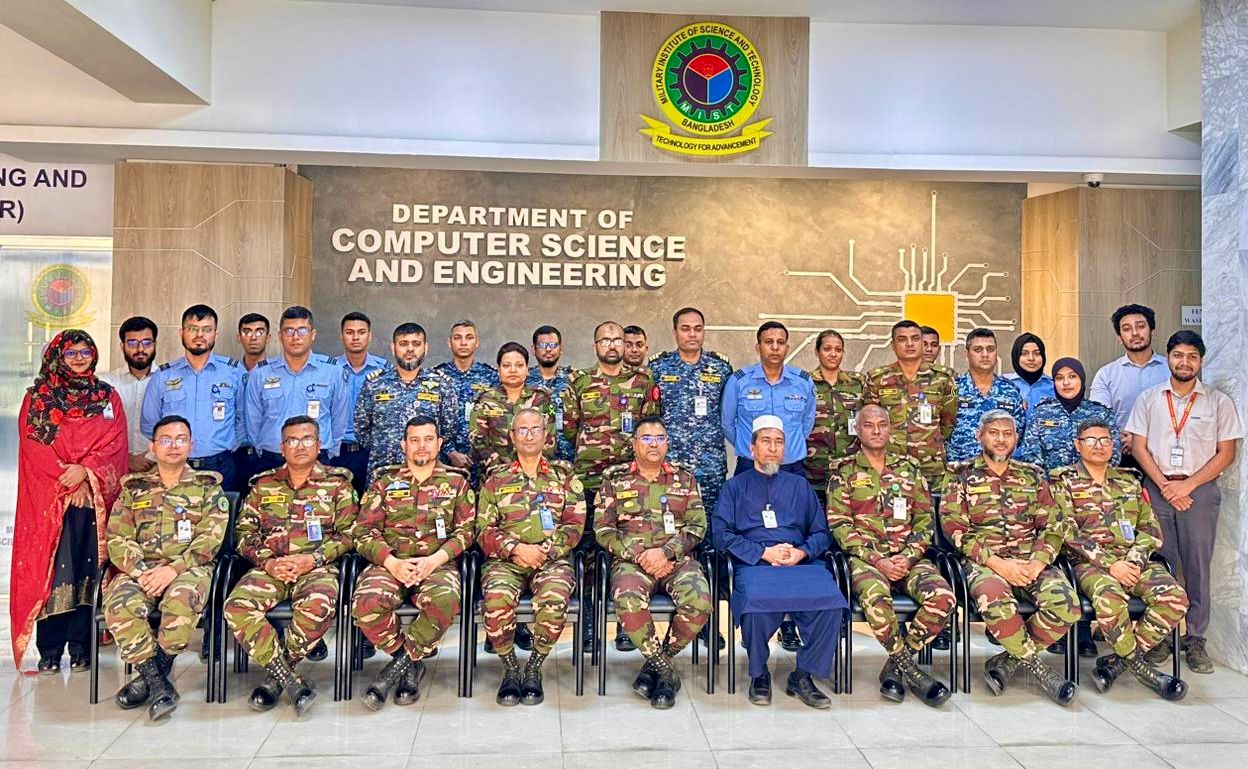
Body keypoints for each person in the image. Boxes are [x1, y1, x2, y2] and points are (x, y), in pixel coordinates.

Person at [941, 409, 1079, 705]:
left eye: (1007, 433)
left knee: (1067, 604)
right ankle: (1041, 670)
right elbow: (955, 529)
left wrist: (1038, 562)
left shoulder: (1032, 475)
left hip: (1030, 561)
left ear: (1016, 438)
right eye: (994, 433)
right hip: (984, 563)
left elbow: (1054, 525)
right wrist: (998, 564)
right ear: (980, 436)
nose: (1001, 439)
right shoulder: (960, 475)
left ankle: (1008, 661)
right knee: (997, 602)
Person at [11, 330, 128, 673]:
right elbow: (35, 448)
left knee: (88, 568)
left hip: (93, 500)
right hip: (52, 500)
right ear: (57, 357)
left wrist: (86, 473)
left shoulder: (107, 397)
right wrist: (70, 480)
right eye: (71, 353)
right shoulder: (40, 399)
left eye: (85, 352)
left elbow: (115, 443)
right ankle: (49, 650)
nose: (79, 358)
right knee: (51, 570)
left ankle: (82, 647)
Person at [1126, 330, 1242, 673]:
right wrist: (1164, 485)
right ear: (1169, 358)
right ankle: (1161, 634)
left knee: (1197, 566)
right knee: (1160, 562)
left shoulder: (1218, 402)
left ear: (1201, 361)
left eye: (1192, 356)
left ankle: (1195, 638)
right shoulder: (1149, 399)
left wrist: (1187, 485)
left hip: (1199, 490)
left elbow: (1227, 453)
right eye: (1178, 355)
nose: (1185, 362)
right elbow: (1138, 446)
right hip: (1158, 487)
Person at [223, 416, 356, 717]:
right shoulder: (263, 484)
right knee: (236, 606)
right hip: (270, 568)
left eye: (307, 439)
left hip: (317, 568)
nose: (300, 446)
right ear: (282, 447)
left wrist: (313, 559)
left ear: (319, 445)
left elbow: (349, 534)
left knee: (319, 604)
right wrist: (268, 562)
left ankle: (278, 675)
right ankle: (289, 679)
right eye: (292, 441)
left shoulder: (338, 484)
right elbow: (244, 533)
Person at [713, 416, 846, 709]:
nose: (773, 448)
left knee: (832, 603)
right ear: (752, 448)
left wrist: (802, 553)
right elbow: (721, 535)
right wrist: (763, 553)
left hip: (799, 564)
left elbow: (821, 533)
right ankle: (759, 673)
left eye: (779, 442)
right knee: (755, 601)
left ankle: (803, 675)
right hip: (756, 563)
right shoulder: (734, 487)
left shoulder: (800, 486)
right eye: (766, 441)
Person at [1052, 418, 1188, 700]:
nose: (1098, 446)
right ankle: (1140, 667)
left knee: (1175, 597)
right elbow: (1067, 532)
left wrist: (1134, 561)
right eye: (1091, 440)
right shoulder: (1063, 481)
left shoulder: (1129, 481)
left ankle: (1118, 663)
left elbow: (1150, 529)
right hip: (1089, 564)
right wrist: (1111, 564)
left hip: (1134, 560)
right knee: (1110, 597)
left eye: (1105, 440)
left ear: (1113, 445)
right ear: (1078, 445)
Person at [826, 405, 953, 706]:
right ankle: (913, 672)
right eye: (868, 425)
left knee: (943, 598)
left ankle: (896, 665)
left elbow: (924, 520)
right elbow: (839, 524)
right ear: (858, 430)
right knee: (876, 599)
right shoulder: (844, 471)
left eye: (882, 424)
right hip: (866, 561)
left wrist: (908, 557)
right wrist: (876, 560)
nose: (876, 430)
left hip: (909, 559)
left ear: (890, 428)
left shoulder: (909, 468)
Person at [103, 416, 228, 720]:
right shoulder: (134, 489)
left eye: (181, 439)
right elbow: (117, 537)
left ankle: (151, 679)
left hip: (190, 569)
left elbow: (211, 539)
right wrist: (141, 571)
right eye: (166, 440)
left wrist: (173, 569)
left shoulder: (207, 487)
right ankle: (158, 684)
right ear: (153, 446)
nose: (174, 446)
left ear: (191, 446)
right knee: (119, 604)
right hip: (141, 570)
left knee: (182, 600)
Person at [352, 415, 475, 710]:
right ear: (403, 445)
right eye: (415, 440)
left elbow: (467, 531)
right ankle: (409, 661)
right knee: (366, 603)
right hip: (390, 564)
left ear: (439, 444)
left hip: (437, 563)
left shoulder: (457, 482)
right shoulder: (384, 482)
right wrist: (391, 562)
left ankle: (397, 668)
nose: (422, 446)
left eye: (428, 439)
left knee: (445, 599)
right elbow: (363, 531)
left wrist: (434, 560)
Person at [595, 418, 711, 709]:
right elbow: (603, 529)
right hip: (632, 562)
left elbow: (697, 526)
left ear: (667, 443)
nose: (653, 444)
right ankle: (665, 671)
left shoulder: (685, 479)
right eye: (646, 438)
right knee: (628, 598)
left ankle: (657, 663)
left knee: (699, 600)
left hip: (676, 560)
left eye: (660, 438)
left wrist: (667, 553)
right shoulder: (615, 480)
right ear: (634, 444)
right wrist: (640, 555)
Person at [477, 408, 585, 706]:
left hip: (551, 560)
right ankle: (510, 667)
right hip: (505, 561)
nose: (528, 436)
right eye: (522, 430)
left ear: (546, 435)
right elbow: (483, 529)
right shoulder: (496, 479)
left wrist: (545, 550)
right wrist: (516, 548)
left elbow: (574, 525)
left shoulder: (564, 476)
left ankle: (535, 665)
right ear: (512, 437)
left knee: (555, 598)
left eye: (534, 429)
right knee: (495, 599)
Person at [141, 305, 246, 493]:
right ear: (181, 332)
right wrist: (171, 449)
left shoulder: (234, 371)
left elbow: (244, 418)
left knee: (222, 512)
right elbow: (150, 423)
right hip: (175, 467)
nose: (200, 335)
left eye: (207, 329)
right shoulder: (164, 375)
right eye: (193, 329)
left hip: (221, 465)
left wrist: (227, 446)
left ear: (215, 334)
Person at [244, 306, 351, 477]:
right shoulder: (260, 373)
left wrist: (330, 451)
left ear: (313, 334)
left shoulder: (333, 371)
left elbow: (340, 418)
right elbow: (253, 420)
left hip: (318, 458)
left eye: (302, 330)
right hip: (272, 458)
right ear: (280, 335)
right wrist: (264, 448)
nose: (295, 337)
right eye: (289, 331)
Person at [354, 322, 460, 483]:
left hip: (427, 476)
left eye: (416, 344)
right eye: (403, 344)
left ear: (425, 348)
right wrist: (385, 446)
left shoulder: (441, 385)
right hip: (383, 474)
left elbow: (448, 430)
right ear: (393, 348)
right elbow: (362, 430)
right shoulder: (374, 384)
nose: (410, 349)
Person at [722, 321, 816, 477]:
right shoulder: (739, 381)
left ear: (787, 348)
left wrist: (790, 447)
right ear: (758, 347)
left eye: (780, 342)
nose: (775, 347)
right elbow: (727, 424)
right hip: (750, 466)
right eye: (768, 342)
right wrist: (748, 446)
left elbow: (807, 423)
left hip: (791, 467)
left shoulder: (803, 382)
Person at [865, 321, 957, 479]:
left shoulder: (943, 378)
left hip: (930, 466)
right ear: (893, 345)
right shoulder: (878, 379)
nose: (909, 344)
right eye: (902, 339)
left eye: (915, 338)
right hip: (890, 465)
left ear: (922, 342)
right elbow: (870, 422)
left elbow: (947, 421)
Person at [1089, 304, 1170, 469]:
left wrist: (1140, 441)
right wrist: (1122, 439)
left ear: (1152, 331)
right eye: (1126, 329)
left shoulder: (1171, 369)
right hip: (1121, 453)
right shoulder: (1106, 374)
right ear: (1119, 337)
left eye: (1141, 326)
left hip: (1165, 453)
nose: (1135, 333)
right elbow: (1099, 419)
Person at [1019, 357, 1120, 471]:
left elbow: (1113, 454)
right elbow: (1030, 455)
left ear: (1081, 379)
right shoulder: (1041, 413)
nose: (1066, 383)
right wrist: (1046, 480)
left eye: (1072, 376)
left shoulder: (1101, 413)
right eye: (1059, 378)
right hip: (1050, 481)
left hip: (1092, 481)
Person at [470, 342, 555, 475]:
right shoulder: (486, 400)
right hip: (495, 475)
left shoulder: (541, 399)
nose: (513, 370)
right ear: (499, 370)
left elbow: (549, 439)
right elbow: (477, 440)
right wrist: (499, 465)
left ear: (527, 369)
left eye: (519, 365)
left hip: (534, 473)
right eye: (506, 366)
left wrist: (528, 465)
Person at [328, 311, 388, 496]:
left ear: (369, 336)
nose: (355, 337)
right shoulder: (329, 370)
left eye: (361, 332)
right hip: (335, 452)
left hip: (371, 452)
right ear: (341, 336)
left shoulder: (384, 370)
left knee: (371, 503)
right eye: (349, 332)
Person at [946, 328, 1025, 463]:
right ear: (967, 354)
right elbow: (942, 431)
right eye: (978, 349)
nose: (985, 354)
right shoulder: (952, 390)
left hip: (998, 470)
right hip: (960, 470)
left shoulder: (1010, 391)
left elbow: (1018, 433)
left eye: (990, 349)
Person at [804, 329, 865, 499]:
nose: (833, 354)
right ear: (817, 352)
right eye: (827, 349)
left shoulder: (858, 383)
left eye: (838, 350)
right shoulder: (804, 383)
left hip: (850, 472)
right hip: (813, 473)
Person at [433, 320, 500, 472]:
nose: (463, 343)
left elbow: (498, 418)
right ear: (449, 343)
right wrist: (450, 451)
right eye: (457, 338)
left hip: (483, 459)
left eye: (469, 337)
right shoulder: (435, 376)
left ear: (477, 342)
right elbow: (431, 417)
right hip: (444, 460)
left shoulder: (491, 376)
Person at [101, 316, 158, 474]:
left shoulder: (167, 382)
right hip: (114, 465)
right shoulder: (106, 384)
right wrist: (126, 458)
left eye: (147, 343)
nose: (140, 349)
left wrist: (151, 457)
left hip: (158, 467)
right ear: (122, 346)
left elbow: (176, 426)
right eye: (132, 343)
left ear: (155, 344)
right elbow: (99, 430)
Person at [527, 324, 575, 462]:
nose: (548, 349)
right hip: (533, 459)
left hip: (569, 459)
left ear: (561, 349)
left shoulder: (574, 379)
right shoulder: (524, 379)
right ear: (533, 349)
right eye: (542, 345)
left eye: (553, 345)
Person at [234, 312, 271, 486]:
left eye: (259, 331)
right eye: (247, 331)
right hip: (235, 453)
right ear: (239, 337)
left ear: (268, 337)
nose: (253, 337)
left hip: (267, 453)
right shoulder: (229, 373)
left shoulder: (277, 373)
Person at [1004, 333, 1056, 420]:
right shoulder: (1004, 384)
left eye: (1037, 353)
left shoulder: (1054, 386)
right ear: (1016, 356)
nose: (1031, 358)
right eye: (1024, 353)